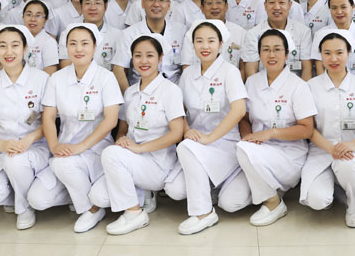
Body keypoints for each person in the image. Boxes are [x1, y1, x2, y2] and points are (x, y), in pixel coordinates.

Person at [27, 23, 124, 233]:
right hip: (65, 148)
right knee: (37, 200)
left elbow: (111, 120)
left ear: (95, 47)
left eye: (84, 43)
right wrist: (54, 145)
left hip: (96, 150)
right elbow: (48, 117)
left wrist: (81, 146)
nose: (78, 49)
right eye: (73, 44)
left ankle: (91, 209)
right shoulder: (57, 78)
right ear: (66, 48)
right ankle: (82, 194)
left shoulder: (106, 78)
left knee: (65, 167)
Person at [163, 20, 250, 234]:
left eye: (211, 41)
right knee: (174, 189)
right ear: (192, 45)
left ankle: (203, 213)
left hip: (224, 144)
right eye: (199, 41)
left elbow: (239, 110)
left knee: (231, 203)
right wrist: (186, 130)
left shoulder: (229, 72)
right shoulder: (188, 74)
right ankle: (209, 190)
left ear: (221, 44)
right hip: (197, 144)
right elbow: (180, 110)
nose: (205, 46)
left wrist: (210, 138)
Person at [96, 34, 185, 235]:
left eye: (150, 55)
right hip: (134, 159)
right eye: (138, 55)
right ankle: (140, 192)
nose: (143, 61)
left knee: (110, 154)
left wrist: (139, 148)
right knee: (98, 197)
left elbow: (177, 134)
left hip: (158, 163)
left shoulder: (170, 90)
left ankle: (134, 213)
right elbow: (123, 128)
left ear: (160, 58)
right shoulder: (130, 92)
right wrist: (122, 139)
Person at [300, 29, 355, 227]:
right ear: (320, 56)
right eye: (327, 53)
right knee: (318, 201)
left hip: (353, 150)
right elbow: (309, 128)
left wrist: (353, 144)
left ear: (349, 53)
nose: (333, 59)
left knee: (348, 165)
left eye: (339, 52)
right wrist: (331, 148)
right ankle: (338, 189)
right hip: (321, 150)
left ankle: (353, 205)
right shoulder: (310, 86)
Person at [0, 25, 50, 230]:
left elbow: (50, 122)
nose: (9, 52)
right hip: (0, 148)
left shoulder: (42, 79)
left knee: (16, 161)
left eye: (15, 45)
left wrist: (28, 140)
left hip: (35, 146)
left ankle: (24, 208)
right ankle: (16, 193)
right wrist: (2, 144)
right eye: (2, 46)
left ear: (25, 49)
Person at [236, 29, 317, 226]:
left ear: (287, 54)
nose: (271, 55)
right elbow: (244, 118)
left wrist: (270, 133)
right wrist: (248, 138)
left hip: (289, 154)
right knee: (231, 202)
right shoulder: (252, 82)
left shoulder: (298, 85)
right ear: (259, 54)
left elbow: (307, 129)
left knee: (244, 150)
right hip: (257, 150)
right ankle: (270, 189)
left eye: (277, 49)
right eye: (266, 50)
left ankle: (273, 203)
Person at [113, 0, 186, 91]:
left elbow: (187, 67)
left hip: (173, 90)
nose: (156, 4)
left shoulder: (181, 31)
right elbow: (119, 69)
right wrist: (129, 96)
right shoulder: (129, 34)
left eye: (162, 0)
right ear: (143, 4)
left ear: (169, 5)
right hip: (140, 92)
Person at [242, 0, 313, 81]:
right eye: (271, 2)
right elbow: (251, 72)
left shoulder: (303, 32)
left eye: (281, 2)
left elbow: (307, 69)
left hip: (295, 86)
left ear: (290, 5)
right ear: (265, 5)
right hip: (263, 86)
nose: (276, 7)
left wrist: (301, 89)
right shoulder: (253, 34)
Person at [180, 0, 247, 75]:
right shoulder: (191, 33)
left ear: (226, 6)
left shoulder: (240, 32)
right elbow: (186, 66)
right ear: (202, 8)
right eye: (209, 3)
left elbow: (243, 68)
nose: (214, 7)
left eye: (219, 2)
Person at [58, 0, 121, 72]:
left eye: (97, 3)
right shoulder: (67, 33)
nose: (93, 8)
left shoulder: (117, 35)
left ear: (106, 6)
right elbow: (66, 67)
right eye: (87, 3)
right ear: (81, 6)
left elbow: (119, 70)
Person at [22, 0, 59, 75]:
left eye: (38, 16)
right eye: (29, 14)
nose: (33, 19)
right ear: (23, 17)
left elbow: (50, 72)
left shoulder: (49, 42)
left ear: (45, 19)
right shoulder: (17, 38)